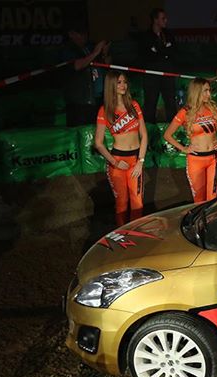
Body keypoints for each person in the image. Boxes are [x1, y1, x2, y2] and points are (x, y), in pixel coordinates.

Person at [164, 78, 217, 202]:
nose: (209, 94)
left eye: (209, 90)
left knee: (213, 199)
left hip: (214, 159)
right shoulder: (185, 112)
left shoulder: (213, 109)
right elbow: (167, 135)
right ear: (196, 91)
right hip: (195, 160)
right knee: (199, 200)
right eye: (205, 91)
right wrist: (183, 148)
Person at [94, 71, 148, 226]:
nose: (123, 85)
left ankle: (136, 234)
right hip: (117, 161)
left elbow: (144, 135)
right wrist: (114, 162)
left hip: (135, 160)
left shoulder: (134, 105)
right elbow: (98, 143)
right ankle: (123, 235)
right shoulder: (104, 110)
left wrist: (140, 161)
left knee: (137, 202)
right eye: (119, 82)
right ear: (111, 85)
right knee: (121, 202)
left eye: (124, 82)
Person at [61, 23, 110, 126]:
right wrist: (96, 52)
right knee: (80, 129)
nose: (84, 36)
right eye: (80, 33)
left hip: (94, 98)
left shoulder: (87, 48)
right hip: (79, 102)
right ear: (71, 34)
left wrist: (104, 53)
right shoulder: (68, 49)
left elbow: (104, 65)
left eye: (85, 33)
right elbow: (77, 65)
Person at [142, 8, 178, 123]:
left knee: (171, 103)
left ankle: (172, 129)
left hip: (167, 74)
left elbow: (173, 52)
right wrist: (163, 51)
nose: (166, 20)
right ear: (155, 20)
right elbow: (147, 56)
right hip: (152, 76)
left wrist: (158, 51)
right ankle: (149, 129)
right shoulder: (146, 36)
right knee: (150, 104)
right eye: (163, 18)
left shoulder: (169, 35)